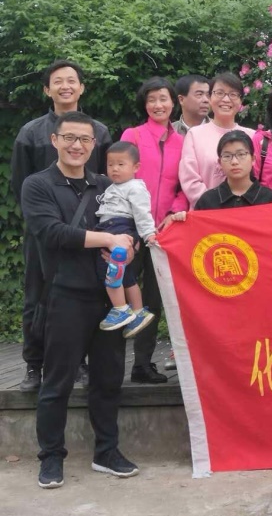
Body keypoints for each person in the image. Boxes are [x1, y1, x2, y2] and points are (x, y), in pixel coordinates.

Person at [21, 111, 139, 489]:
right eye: (69, 138)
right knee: (57, 382)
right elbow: (52, 233)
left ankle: (107, 452)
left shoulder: (106, 183)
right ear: (54, 140)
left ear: (94, 145)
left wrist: (130, 247)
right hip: (64, 297)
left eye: (85, 140)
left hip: (108, 300)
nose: (77, 145)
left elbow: (128, 226)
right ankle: (51, 457)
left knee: (108, 380)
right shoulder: (37, 185)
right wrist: (107, 239)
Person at [12, 59, 112, 393]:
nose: (65, 86)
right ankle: (33, 364)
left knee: (84, 296)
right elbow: (20, 183)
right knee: (36, 295)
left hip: (87, 233)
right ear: (47, 89)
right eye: (58, 81)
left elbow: (106, 181)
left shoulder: (98, 131)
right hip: (44, 231)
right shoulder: (31, 132)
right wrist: (42, 221)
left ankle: (78, 362)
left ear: (82, 87)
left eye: (72, 80)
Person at [120, 76, 189, 382]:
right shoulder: (133, 135)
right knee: (118, 294)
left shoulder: (182, 142)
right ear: (144, 104)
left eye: (163, 98)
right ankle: (107, 362)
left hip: (163, 233)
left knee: (153, 299)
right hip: (128, 229)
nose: (158, 105)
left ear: (174, 102)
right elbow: (120, 179)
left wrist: (173, 213)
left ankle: (142, 364)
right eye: (151, 99)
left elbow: (184, 186)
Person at [94, 142, 158, 336]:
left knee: (107, 268)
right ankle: (138, 312)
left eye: (121, 164)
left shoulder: (135, 187)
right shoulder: (114, 186)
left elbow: (142, 213)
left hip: (119, 228)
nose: (115, 168)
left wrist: (148, 234)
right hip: (111, 228)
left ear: (136, 167)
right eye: (110, 164)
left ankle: (120, 308)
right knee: (126, 273)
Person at [180, 72, 254, 208]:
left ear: (240, 101)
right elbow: (189, 180)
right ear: (210, 97)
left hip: (244, 212)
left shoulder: (252, 136)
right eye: (219, 93)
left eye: (233, 94)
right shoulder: (195, 135)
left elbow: (257, 179)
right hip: (206, 212)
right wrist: (214, 206)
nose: (226, 99)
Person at [195, 131, 272, 210]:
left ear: (253, 159)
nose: (234, 162)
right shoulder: (207, 201)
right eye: (227, 156)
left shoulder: (270, 199)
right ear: (220, 162)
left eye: (241, 154)